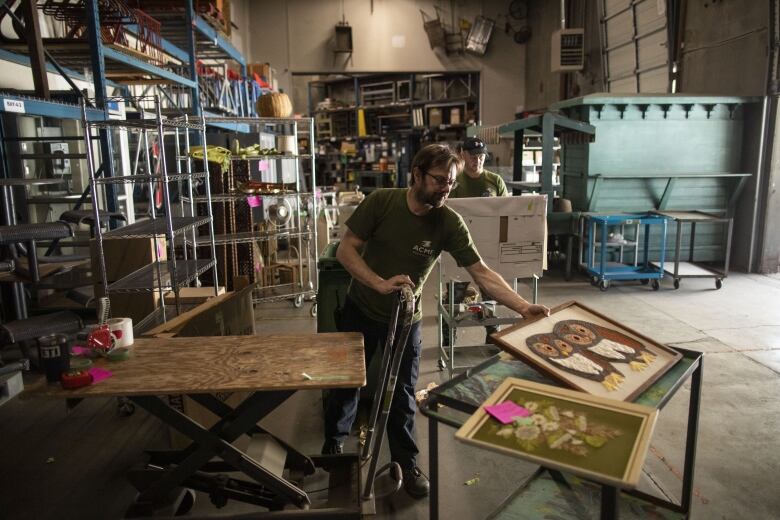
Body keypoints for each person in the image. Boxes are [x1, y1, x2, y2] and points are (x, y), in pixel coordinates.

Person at [322, 144, 549, 499]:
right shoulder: (382, 202)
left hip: (406, 319)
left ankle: (407, 462)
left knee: (402, 394)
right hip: (362, 308)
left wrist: (523, 306)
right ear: (416, 174)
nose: (446, 188)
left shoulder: (447, 222)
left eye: (452, 183)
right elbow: (346, 249)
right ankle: (334, 449)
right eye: (440, 180)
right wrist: (379, 283)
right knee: (346, 384)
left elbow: (482, 273)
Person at [449, 136, 509, 342]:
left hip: (488, 249)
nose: (478, 161)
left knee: (490, 294)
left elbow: (507, 214)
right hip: (457, 249)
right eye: (473, 157)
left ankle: (492, 337)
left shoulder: (495, 181)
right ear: (463, 155)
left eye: (482, 156)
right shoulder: (454, 181)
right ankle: (449, 338)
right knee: (455, 296)